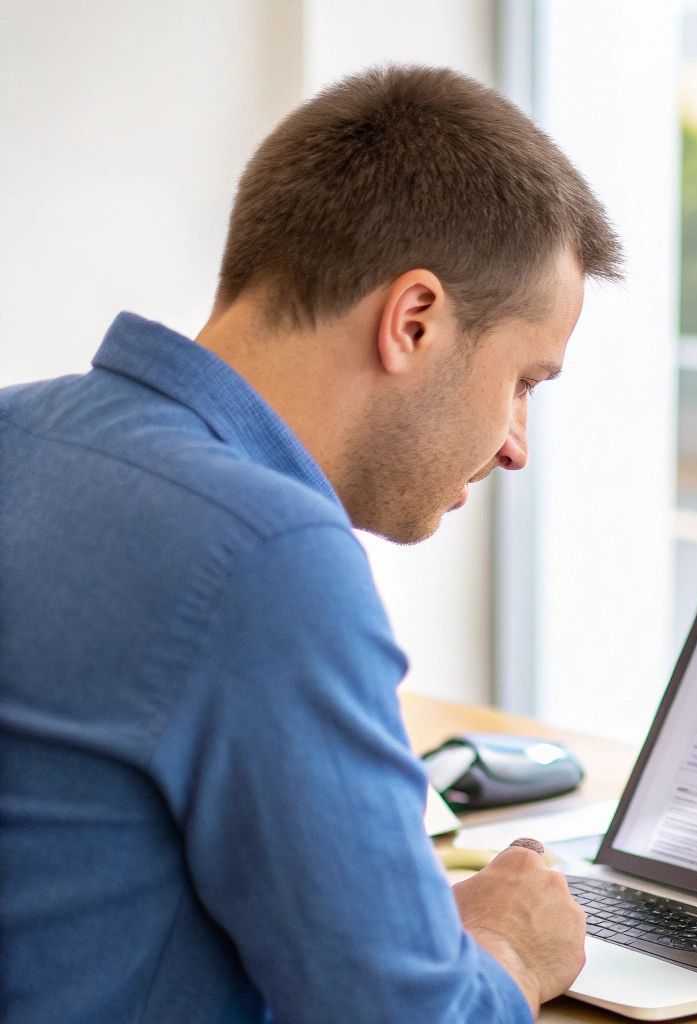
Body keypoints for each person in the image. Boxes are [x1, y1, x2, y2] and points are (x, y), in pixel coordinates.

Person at [0, 65, 623, 1021]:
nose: (515, 445)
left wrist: (414, 936)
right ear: (413, 321)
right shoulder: (264, 552)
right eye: (524, 382)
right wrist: (510, 949)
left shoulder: (20, 433)